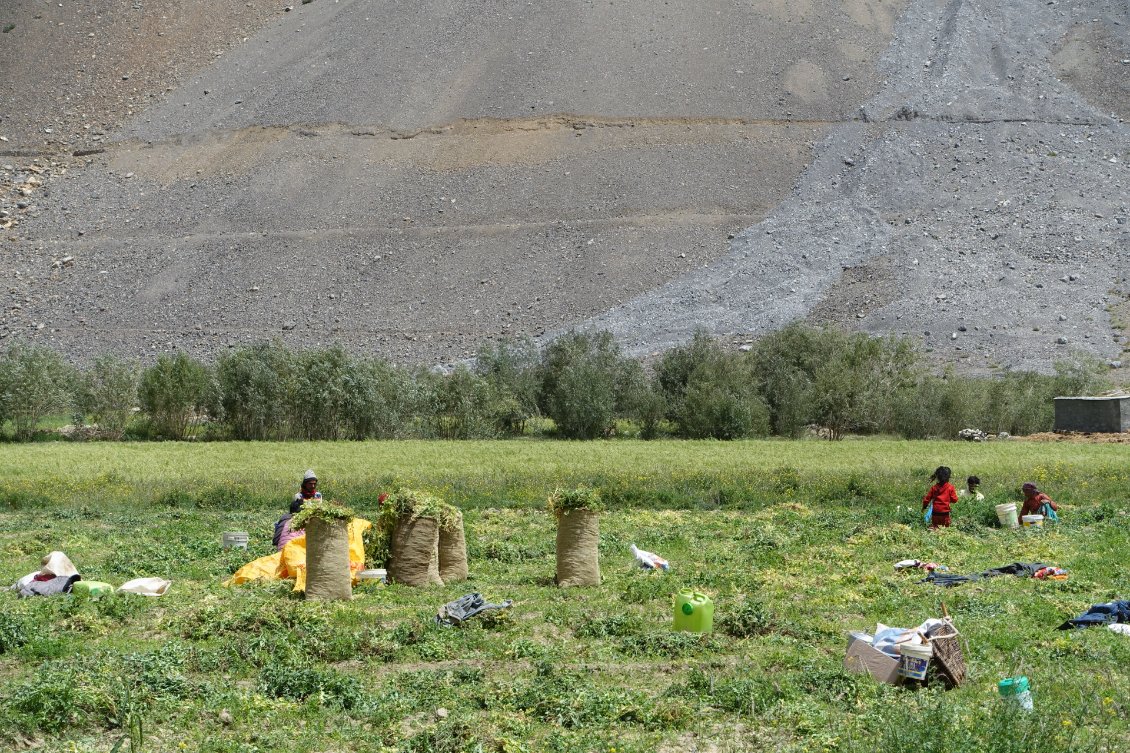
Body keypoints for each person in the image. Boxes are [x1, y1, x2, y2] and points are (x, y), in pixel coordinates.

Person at [272, 469, 323, 550]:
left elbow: (320, 508)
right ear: (305, 484)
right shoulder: (298, 496)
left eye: (314, 484)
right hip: (303, 519)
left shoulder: (318, 495)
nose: (313, 486)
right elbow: (296, 510)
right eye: (310, 484)